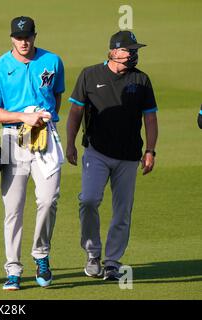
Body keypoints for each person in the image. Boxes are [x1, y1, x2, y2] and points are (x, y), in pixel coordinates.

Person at [0, 16, 65, 290]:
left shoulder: (52, 61)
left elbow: (56, 95)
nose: (23, 41)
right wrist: (22, 117)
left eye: (28, 36)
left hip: (46, 138)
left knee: (48, 199)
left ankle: (41, 254)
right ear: (11, 38)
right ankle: (13, 269)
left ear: (34, 36)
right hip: (13, 140)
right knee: (13, 208)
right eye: (18, 37)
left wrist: (43, 118)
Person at [66, 30, 158, 280]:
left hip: (129, 156)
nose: (134, 54)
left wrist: (150, 150)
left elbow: (150, 117)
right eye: (130, 50)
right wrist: (70, 144)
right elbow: (76, 111)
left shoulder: (141, 80)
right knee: (88, 200)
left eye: (136, 50)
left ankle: (113, 262)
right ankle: (92, 253)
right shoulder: (90, 74)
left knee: (122, 211)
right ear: (114, 51)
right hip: (96, 151)